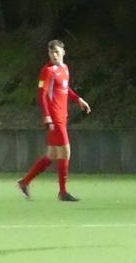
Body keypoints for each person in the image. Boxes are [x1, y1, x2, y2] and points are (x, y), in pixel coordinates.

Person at [16, 39, 92, 201]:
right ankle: (63, 192)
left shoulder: (65, 68)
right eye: (51, 52)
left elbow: (64, 88)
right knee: (65, 152)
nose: (54, 55)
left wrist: (78, 99)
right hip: (55, 118)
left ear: (63, 52)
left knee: (51, 155)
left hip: (62, 117)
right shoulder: (48, 71)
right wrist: (47, 116)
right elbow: (42, 95)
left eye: (56, 52)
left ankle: (25, 182)